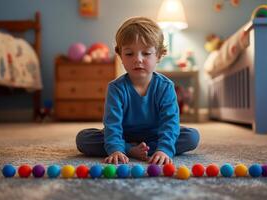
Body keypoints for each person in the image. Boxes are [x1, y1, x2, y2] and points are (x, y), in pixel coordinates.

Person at [76, 16, 200, 165]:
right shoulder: (116, 88)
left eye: (146, 53)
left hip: (155, 136)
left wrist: (164, 149)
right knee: (84, 138)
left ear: (159, 55)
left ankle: (148, 149)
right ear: (120, 56)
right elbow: (112, 124)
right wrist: (117, 149)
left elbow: (170, 122)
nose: (138, 59)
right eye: (129, 54)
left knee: (191, 136)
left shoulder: (165, 87)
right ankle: (129, 149)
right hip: (124, 136)